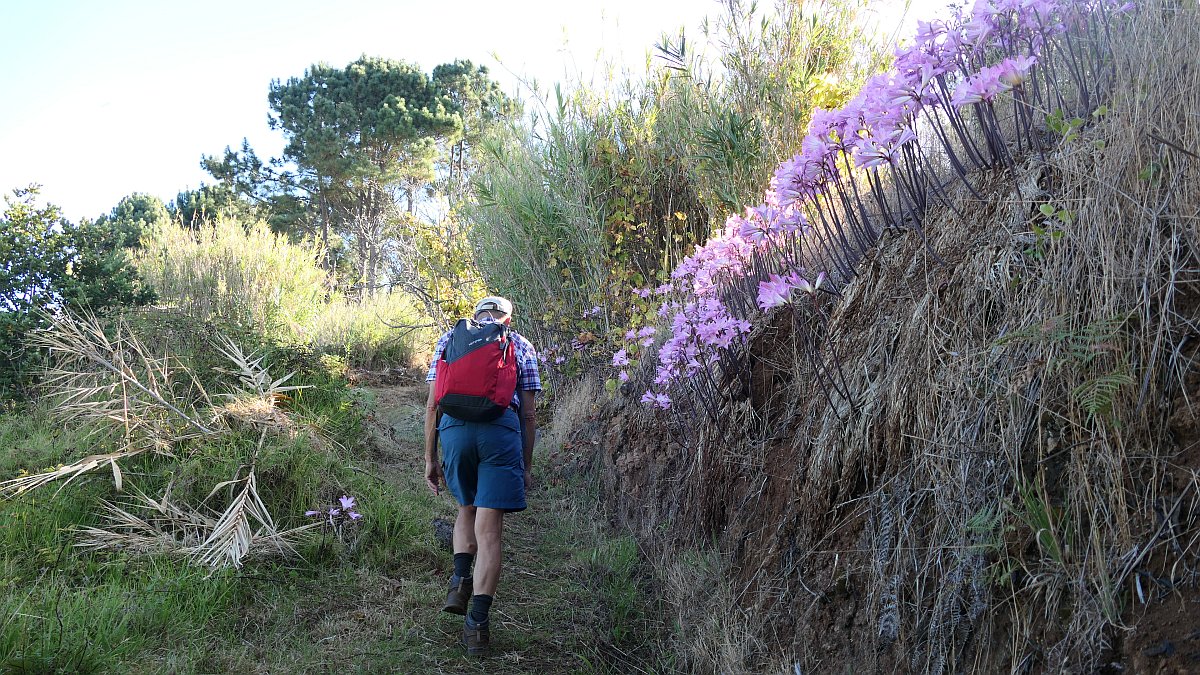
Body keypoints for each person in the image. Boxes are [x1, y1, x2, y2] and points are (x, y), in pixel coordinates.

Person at [423, 296, 541, 656]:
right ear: (509, 317)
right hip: (499, 432)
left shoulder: (449, 339)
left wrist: (430, 457)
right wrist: (525, 464)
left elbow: (433, 403)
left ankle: (460, 580)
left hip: (455, 430)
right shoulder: (520, 344)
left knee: (466, 508)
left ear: (475, 316)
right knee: (490, 531)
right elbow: (530, 414)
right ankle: (477, 626)